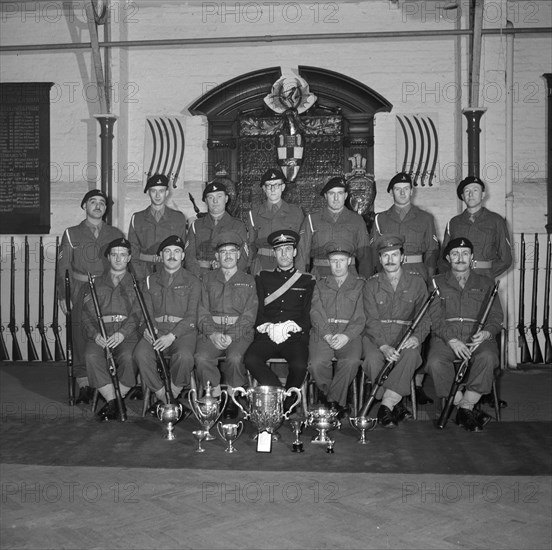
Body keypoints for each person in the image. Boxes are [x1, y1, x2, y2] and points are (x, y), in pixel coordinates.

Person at [370, 171, 440, 405]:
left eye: (406, 188)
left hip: (417, 273)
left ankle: (416, 383)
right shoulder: (380, 219)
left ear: (412, 191)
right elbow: (373, 253)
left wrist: (429, 279)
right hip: (389, 273)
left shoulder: (425, 218)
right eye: (397, 188)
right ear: (390, 192)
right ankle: (395, 389)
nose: (402, 192)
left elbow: (431, 251)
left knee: (419, 327)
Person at [427, 237, 503, 432]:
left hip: (477, 335)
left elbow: (496, 316)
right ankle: (464, 407)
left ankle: (466, 406)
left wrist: (487, 333)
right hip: (447, 336)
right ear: (447, 258)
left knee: (487, 357)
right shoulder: (436, 282)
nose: (460, 258)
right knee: (436, 361)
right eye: (455, 254)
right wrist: (451, 340)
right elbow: (434, 318)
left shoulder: (486, 282)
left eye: (465, 254)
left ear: (472, 258)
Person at [56, 189, 124, 405]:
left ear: (106, 208)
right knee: (79, 336)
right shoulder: (71, 233)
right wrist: (63, 294)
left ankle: (106, 382)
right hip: (80, 289)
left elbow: (122, 265)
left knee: (106, 334)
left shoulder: (115, 234)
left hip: (107, 291)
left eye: (102, 202)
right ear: (84, 206)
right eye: (92, 202)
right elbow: (63, 267)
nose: (97, 205)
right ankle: (84, 384)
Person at [362, 234, 431, 428]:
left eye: (394, 255)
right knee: (372, 360)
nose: (390, 260)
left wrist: (417, 337)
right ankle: (396, 402)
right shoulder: (371, 284)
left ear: (402, 257)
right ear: (380, 259)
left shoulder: (417, 283)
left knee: (411, 355)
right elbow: (371, 320)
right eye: (385, 256)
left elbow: (425, 316)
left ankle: (386, 404)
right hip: (377, 337)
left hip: (405, 335)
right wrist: (383, 346)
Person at [133, 235, 201, 412]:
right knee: (140, 354)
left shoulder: (193, 281)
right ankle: (164, 396)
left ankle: (174, 393)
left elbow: (192, 315)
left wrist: (172, 336)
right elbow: (143, 312)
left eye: (177, 251)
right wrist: (145, 328)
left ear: (183, 256)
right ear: (161, 256)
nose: (172, 255)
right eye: (167, 251)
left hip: (182, 332)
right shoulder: (149, 281)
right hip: (156, 331)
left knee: (184, 357)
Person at [194, 231, 258, 418]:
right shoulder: (207, 280)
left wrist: (231, 335)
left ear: (238, 255)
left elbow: (249, 315)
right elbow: (201, 311)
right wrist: (213, 334)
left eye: (232, 251)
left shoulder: (249, 281)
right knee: (201, 357)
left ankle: (232, 398)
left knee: (236, 357)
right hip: (211, 332)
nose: (228, 255)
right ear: (217, 256)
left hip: (239, 333)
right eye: (223, 252)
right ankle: (213, 396)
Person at [244, 230, 315, 395]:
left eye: (288, 249)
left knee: (299, 366)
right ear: (274, 253)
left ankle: (288, 405)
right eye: (280, 250)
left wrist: (292, 326)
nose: (284, 254)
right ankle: (279, 396)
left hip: (294, 337)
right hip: (267, 335)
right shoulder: (262, 278)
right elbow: (257, 309)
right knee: (250, 359)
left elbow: (308, 313)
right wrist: (267, 326)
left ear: (295, 252)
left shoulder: (307, 280)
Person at [81, 238, 139, 421]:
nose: (118, 259)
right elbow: (86, 314)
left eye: (123, 255)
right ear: (108, 257)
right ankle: (114, 400)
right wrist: (95, 334)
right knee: (91, 356)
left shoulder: (137, 283)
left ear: (129, 257)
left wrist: (123, 333)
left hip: (126, 333)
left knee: (129, 357)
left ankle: (112, 402)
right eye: (114, 255)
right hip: (101, 332)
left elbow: (139, 313)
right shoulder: (95, 283)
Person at [308, 241, 365, 414]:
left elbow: (361, 316)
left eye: (342, 260)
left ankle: (330, 401)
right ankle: (332, 396)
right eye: (334, 261)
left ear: (349, 261)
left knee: (351, 361)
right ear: (329, 263)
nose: (338, 265)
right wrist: (326, 335)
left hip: (350, 335)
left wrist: (346, 336)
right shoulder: (320, 284)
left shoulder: (360, 284)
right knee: (316, 363)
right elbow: (315, 312)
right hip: (323, 333)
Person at [296, 176, 371, 278]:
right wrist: (300, 281)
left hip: (350, 278)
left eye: (340, 193)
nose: (336, 198)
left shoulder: (357, 220)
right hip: (320, 276)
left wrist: (365, 281)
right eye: (332, 194)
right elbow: (302, 255)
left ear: (345, 196)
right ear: (326, 196)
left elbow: (365, 256)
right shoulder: (311, 220)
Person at [439, 176, 513, 279]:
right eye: (467, 191)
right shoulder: (454, 223)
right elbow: (443, 257)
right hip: (458, 281)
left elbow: (506, 258)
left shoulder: (496, 221)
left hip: (484, 280)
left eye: (475, 190)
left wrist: (488, 274)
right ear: (462, 196)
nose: (471, 194)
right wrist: (452, 276)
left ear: (483, 194)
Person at [127, 174, 187, 281]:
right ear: (148, 193)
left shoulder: (178, 218)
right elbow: (133, 251)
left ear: (167, 193)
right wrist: (141, 276)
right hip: (144, 271)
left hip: (170, 272)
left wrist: (175, 276)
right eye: (154, 191)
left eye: (161, 191)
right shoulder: (137, 218)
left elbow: (182, 250)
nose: (158, 195)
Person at [184, 180, 248, 279]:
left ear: (226, 199)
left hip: (229, 277)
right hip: (201, 277)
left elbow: (243, 257)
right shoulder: (196, 226)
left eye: (219, 196)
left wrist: (231, 277)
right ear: (205, 201)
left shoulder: (238, 226)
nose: (215, 201)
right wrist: (199, 277)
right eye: (211, 197)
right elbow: (189, 257)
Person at [246, 168, 304, 275]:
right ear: (264, 188)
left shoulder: (296, 213)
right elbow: (251, 245)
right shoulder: (254, 214)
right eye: (269, 185)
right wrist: (248, 268)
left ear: (283, 187)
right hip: (261, 265)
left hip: (287, 264)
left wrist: (300, 271)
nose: (273, 189)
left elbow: (300, 246)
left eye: (276, 185)